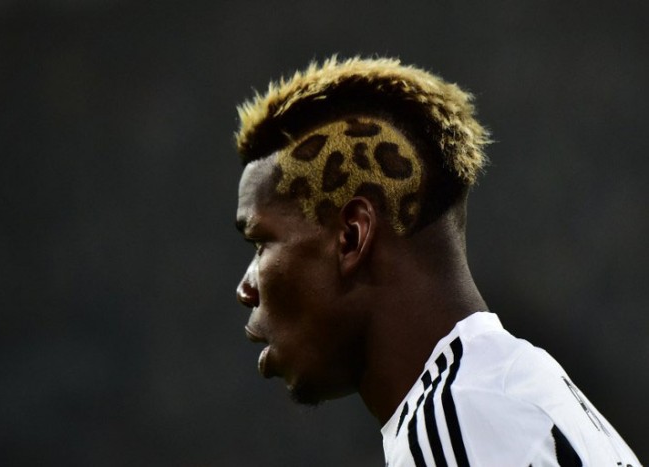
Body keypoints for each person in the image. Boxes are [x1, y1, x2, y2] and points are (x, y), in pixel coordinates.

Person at [233, 56, 640, 466]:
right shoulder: (518, 390)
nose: (245, 289)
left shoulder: (463, 420)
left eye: (260, 243)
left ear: (352, 237)